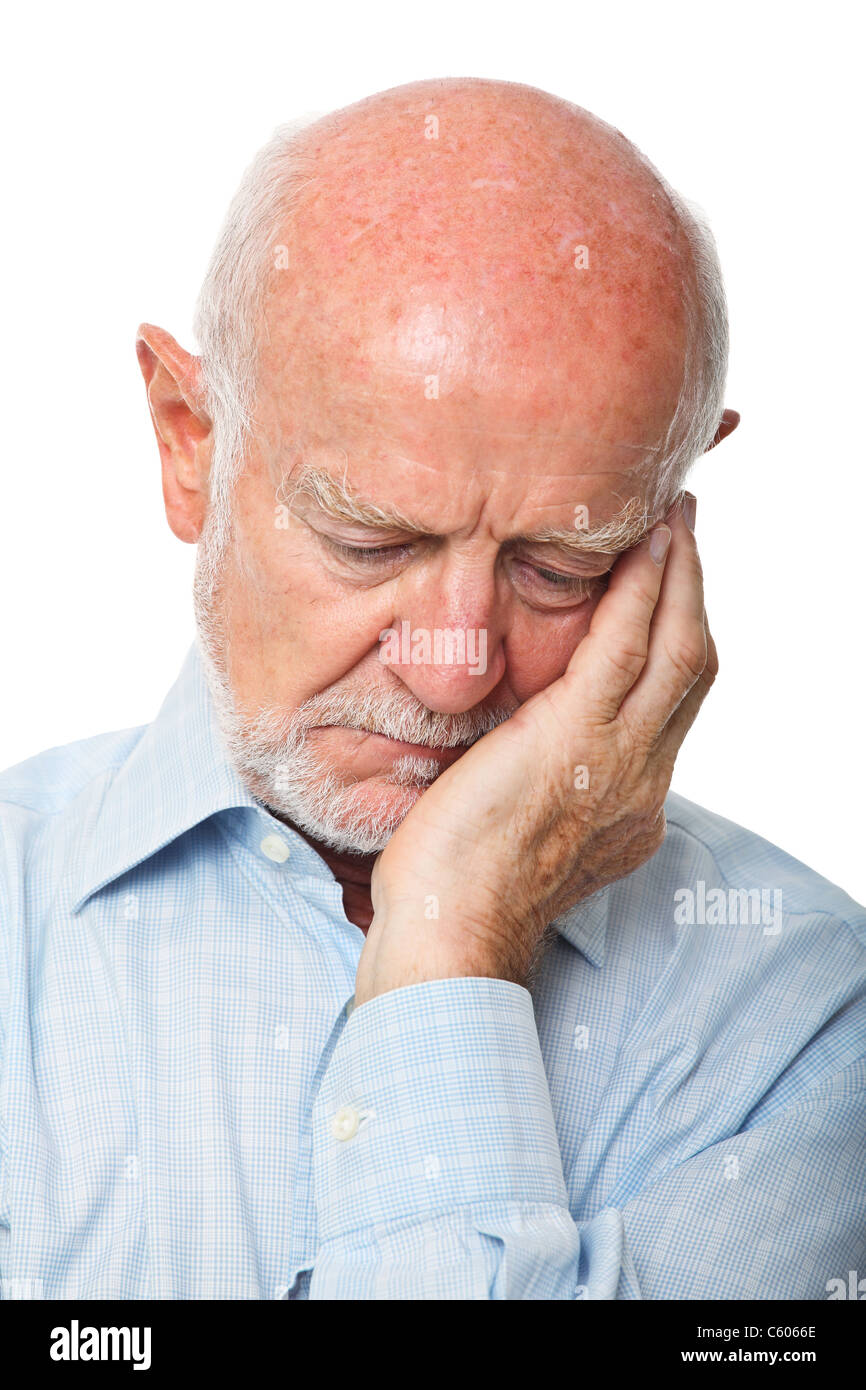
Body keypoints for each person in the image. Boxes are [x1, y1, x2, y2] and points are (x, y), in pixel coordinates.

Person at [1, 77, 862, 1301]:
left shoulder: (814, 1028)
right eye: (371, 542)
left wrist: (455, 929)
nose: (455, 667)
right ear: (189, 439)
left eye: (562, 564)